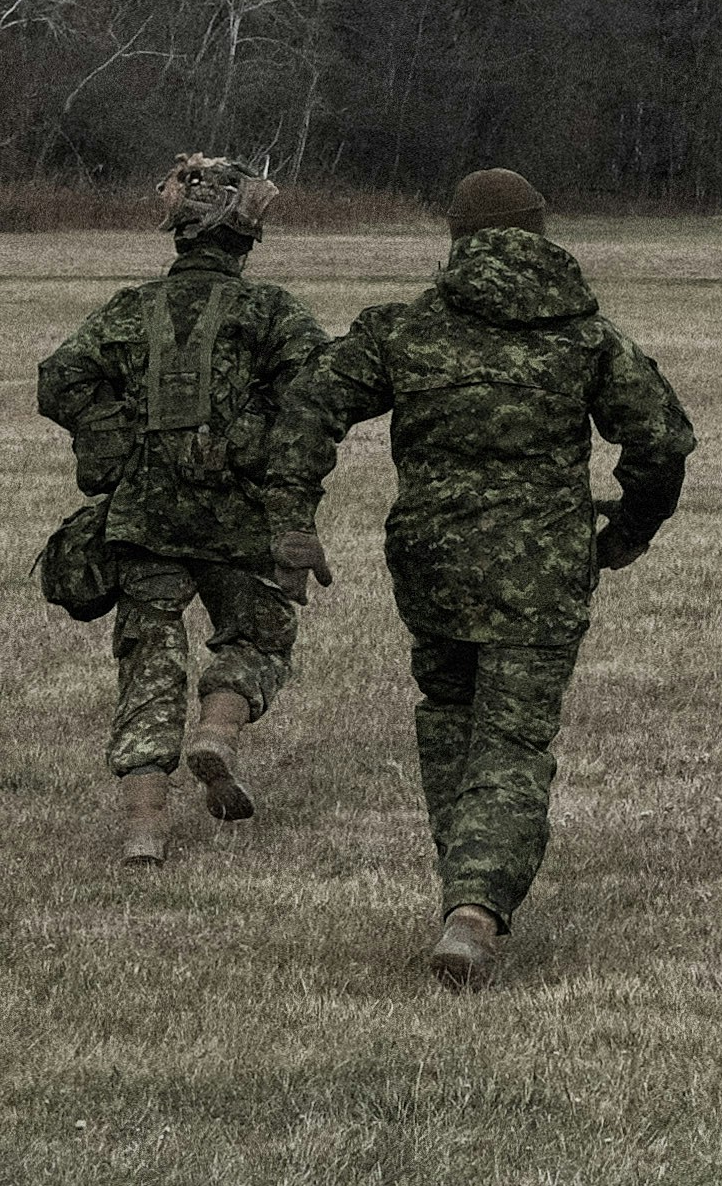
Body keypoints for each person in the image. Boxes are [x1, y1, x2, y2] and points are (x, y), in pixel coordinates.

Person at [272, 169, 694, 986]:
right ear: (540, 233)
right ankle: (474, 907)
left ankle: (462, 892)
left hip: (432, 566)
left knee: (450, 720)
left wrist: (294, 517)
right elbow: (663, 441)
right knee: (511, 741)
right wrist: (630, 528)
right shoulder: (585, 337)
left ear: (457, 238)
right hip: (542, 572)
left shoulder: (405, 330)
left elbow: (307, 403)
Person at [36, 154, 334, 864]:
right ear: (244, 238)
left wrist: (119, 445)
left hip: (147, 519)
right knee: (259, 635)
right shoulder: (271, 312)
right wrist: (253, 450)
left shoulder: (130, 309)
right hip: (240, 519)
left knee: (149, 663)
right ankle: (217, 733)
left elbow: (60, 379)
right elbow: (319, 401)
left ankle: (144, 826)